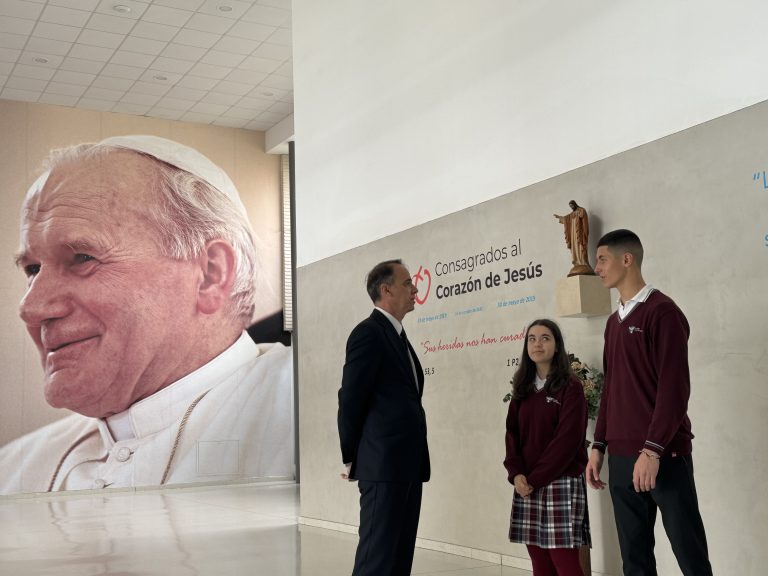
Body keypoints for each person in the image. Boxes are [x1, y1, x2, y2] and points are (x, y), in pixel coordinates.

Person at [0, 135, 293, 495]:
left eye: (82, 258)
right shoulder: (14, 469)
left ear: (210, 274)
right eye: (32, 269)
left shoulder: (311, 409)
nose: (31, 308)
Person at [586, 229, 712, 576]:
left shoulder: (663, 312)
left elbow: (674, 390)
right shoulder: (614, 323)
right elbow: (611, 389)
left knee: (690, 553)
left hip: (663, 455)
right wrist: (598, 446)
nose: (596, 267)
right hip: (623, 457)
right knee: (635, 559)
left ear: (627, 260)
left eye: (602, 259)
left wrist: (652, 450)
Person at [337, 259, 430, 576]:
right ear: (386, 289)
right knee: (376, 561)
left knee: (399, 560)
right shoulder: (368, 333)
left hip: (407, 466)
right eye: (407, 283)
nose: (414, 288)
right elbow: (350, 398)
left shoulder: (399, 336)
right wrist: (351, 457)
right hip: (383, 467)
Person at [504, 319, 591, 576]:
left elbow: (567, 441)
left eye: (545, 338)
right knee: (539, 561)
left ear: (557, 345)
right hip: (527, 483)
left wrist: (535, 478)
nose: (537, 344)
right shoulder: (522, 389)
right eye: (531, 338)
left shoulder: (571, 387)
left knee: (564, 560)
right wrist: (517, 474)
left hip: (559, 481)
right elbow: (512, 435)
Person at [553, 200, 593, 276]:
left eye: (572, 206)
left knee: (580, 247)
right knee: (574, 247)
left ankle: (583, 262)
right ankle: (577, 262)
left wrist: (580, 213)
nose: (571, 207)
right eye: (570, 206)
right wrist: (560, 217)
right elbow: (566, 219)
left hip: (579, 234)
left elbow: (583, 215)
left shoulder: (581, 210)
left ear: (575, 204)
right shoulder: (571, 215)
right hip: (573, 234)